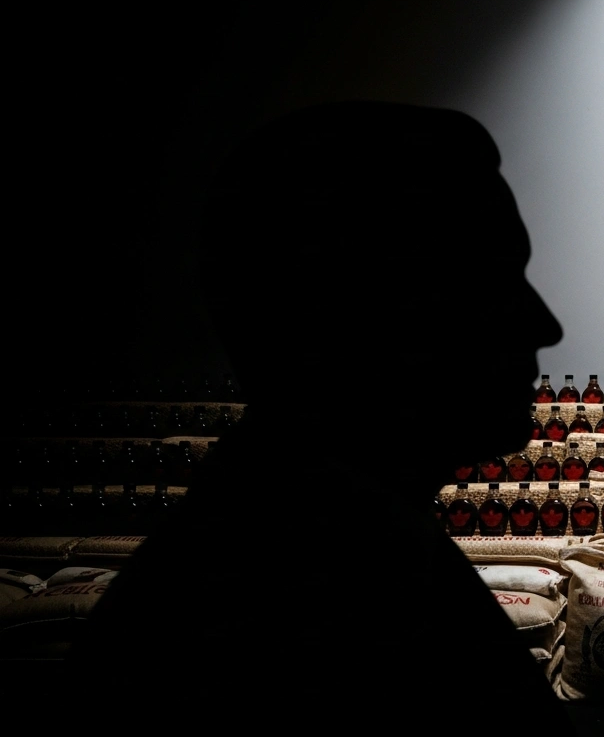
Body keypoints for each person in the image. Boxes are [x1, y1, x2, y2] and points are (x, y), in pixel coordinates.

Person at [72, 102, 569, 723]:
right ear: (359, 311)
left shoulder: (342, 552)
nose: (544, 325)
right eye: (490, 285)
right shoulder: (289, 614)